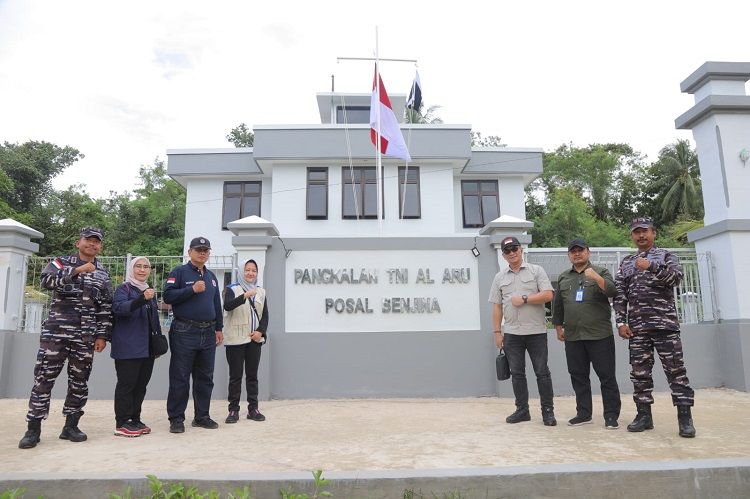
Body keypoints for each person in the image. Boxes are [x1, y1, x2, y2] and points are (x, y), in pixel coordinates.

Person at [18, 227, 113, 449]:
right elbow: (46, 281)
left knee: (79, 381)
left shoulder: (103, 272)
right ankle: (33, 429)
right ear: (78, 243)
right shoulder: (61, 263)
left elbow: (106, 306)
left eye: (96, 242)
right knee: (43, 379)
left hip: (85, 336)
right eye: (88, 240)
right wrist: (76, 271)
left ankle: (71, 426)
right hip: (56, 334)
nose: (92, 244)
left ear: (100, 246)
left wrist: (102, 335)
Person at [614, 217, 696, 438]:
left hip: (665, 326)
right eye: (636, 232)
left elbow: (676, 278)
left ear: (654, 233)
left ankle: (685, 418)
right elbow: (620, 295)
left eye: (645, 231)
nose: (641, 236)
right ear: (632, 235)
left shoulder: (667, 256)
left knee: (676, 372)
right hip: (638, 329)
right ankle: (644, 416)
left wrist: (652, 266)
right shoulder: (627, 262)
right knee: (640, 374)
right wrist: (621, 322)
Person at [552, 239, 621, 429]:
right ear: (569, 256)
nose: (577, 254)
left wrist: (597, 278)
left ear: (588, 252)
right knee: (578, 376)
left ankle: (611, 415)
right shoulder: (564, 277)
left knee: (606, 377)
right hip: (573, 336)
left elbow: (613, 291)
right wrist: (558, 326)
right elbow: (558, 304)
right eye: (573, 251)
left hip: (599, 335)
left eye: (580, 251)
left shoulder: (601, 271)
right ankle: (583, 413)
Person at [488, 236, 556, 426]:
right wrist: (497, 332)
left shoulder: (536, 271)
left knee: (542, 372)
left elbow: (548, 295)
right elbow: (497, 307)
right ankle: (522, 410)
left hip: (536, 332)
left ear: (521, 250)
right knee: (517, 373)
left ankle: (548, 411)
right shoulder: (499, 277)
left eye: (514, 249)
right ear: (503, 255)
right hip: (511, 333)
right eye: (507, 251)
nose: (512, 253)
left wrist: (525, 299)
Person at [163, 236, 224, 433]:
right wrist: (191, 289)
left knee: (205, 377)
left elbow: (216, 304)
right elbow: (168, 296)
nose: (202, 253)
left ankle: (202, 416)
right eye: (198, 249)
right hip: (184, 331)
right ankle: (176, 418)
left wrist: (219, 328)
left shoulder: (212, 277)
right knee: (180, 376)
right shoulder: (179, 272)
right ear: (189, 252)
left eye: (206, 250)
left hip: (208, 332)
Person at [110, 256, 162, 437]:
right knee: (127, 385)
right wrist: (141, 299)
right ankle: (122, 422)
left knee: (141, 386)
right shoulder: (123, 289)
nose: (142, 270)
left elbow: (153, 320)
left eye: (146, 267)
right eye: (138, 266)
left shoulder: (148, 290)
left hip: (146, 349)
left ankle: (135, 419)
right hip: (128, 348)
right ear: (131, 269)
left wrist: (156, 345)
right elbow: (120, 309)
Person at [223, 259, 269, 423]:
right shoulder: (231, 289)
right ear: (241, 272)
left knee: (252, 376)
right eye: (247, 270)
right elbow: (227, 306)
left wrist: (261, 332)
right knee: (235, 376)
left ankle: (253, 409)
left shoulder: (261, 292)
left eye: (254, 271)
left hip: (253, 340)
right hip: (235, 339)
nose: (250, 273)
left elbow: (264, 316)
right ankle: (233, 411)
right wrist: (244, 296)